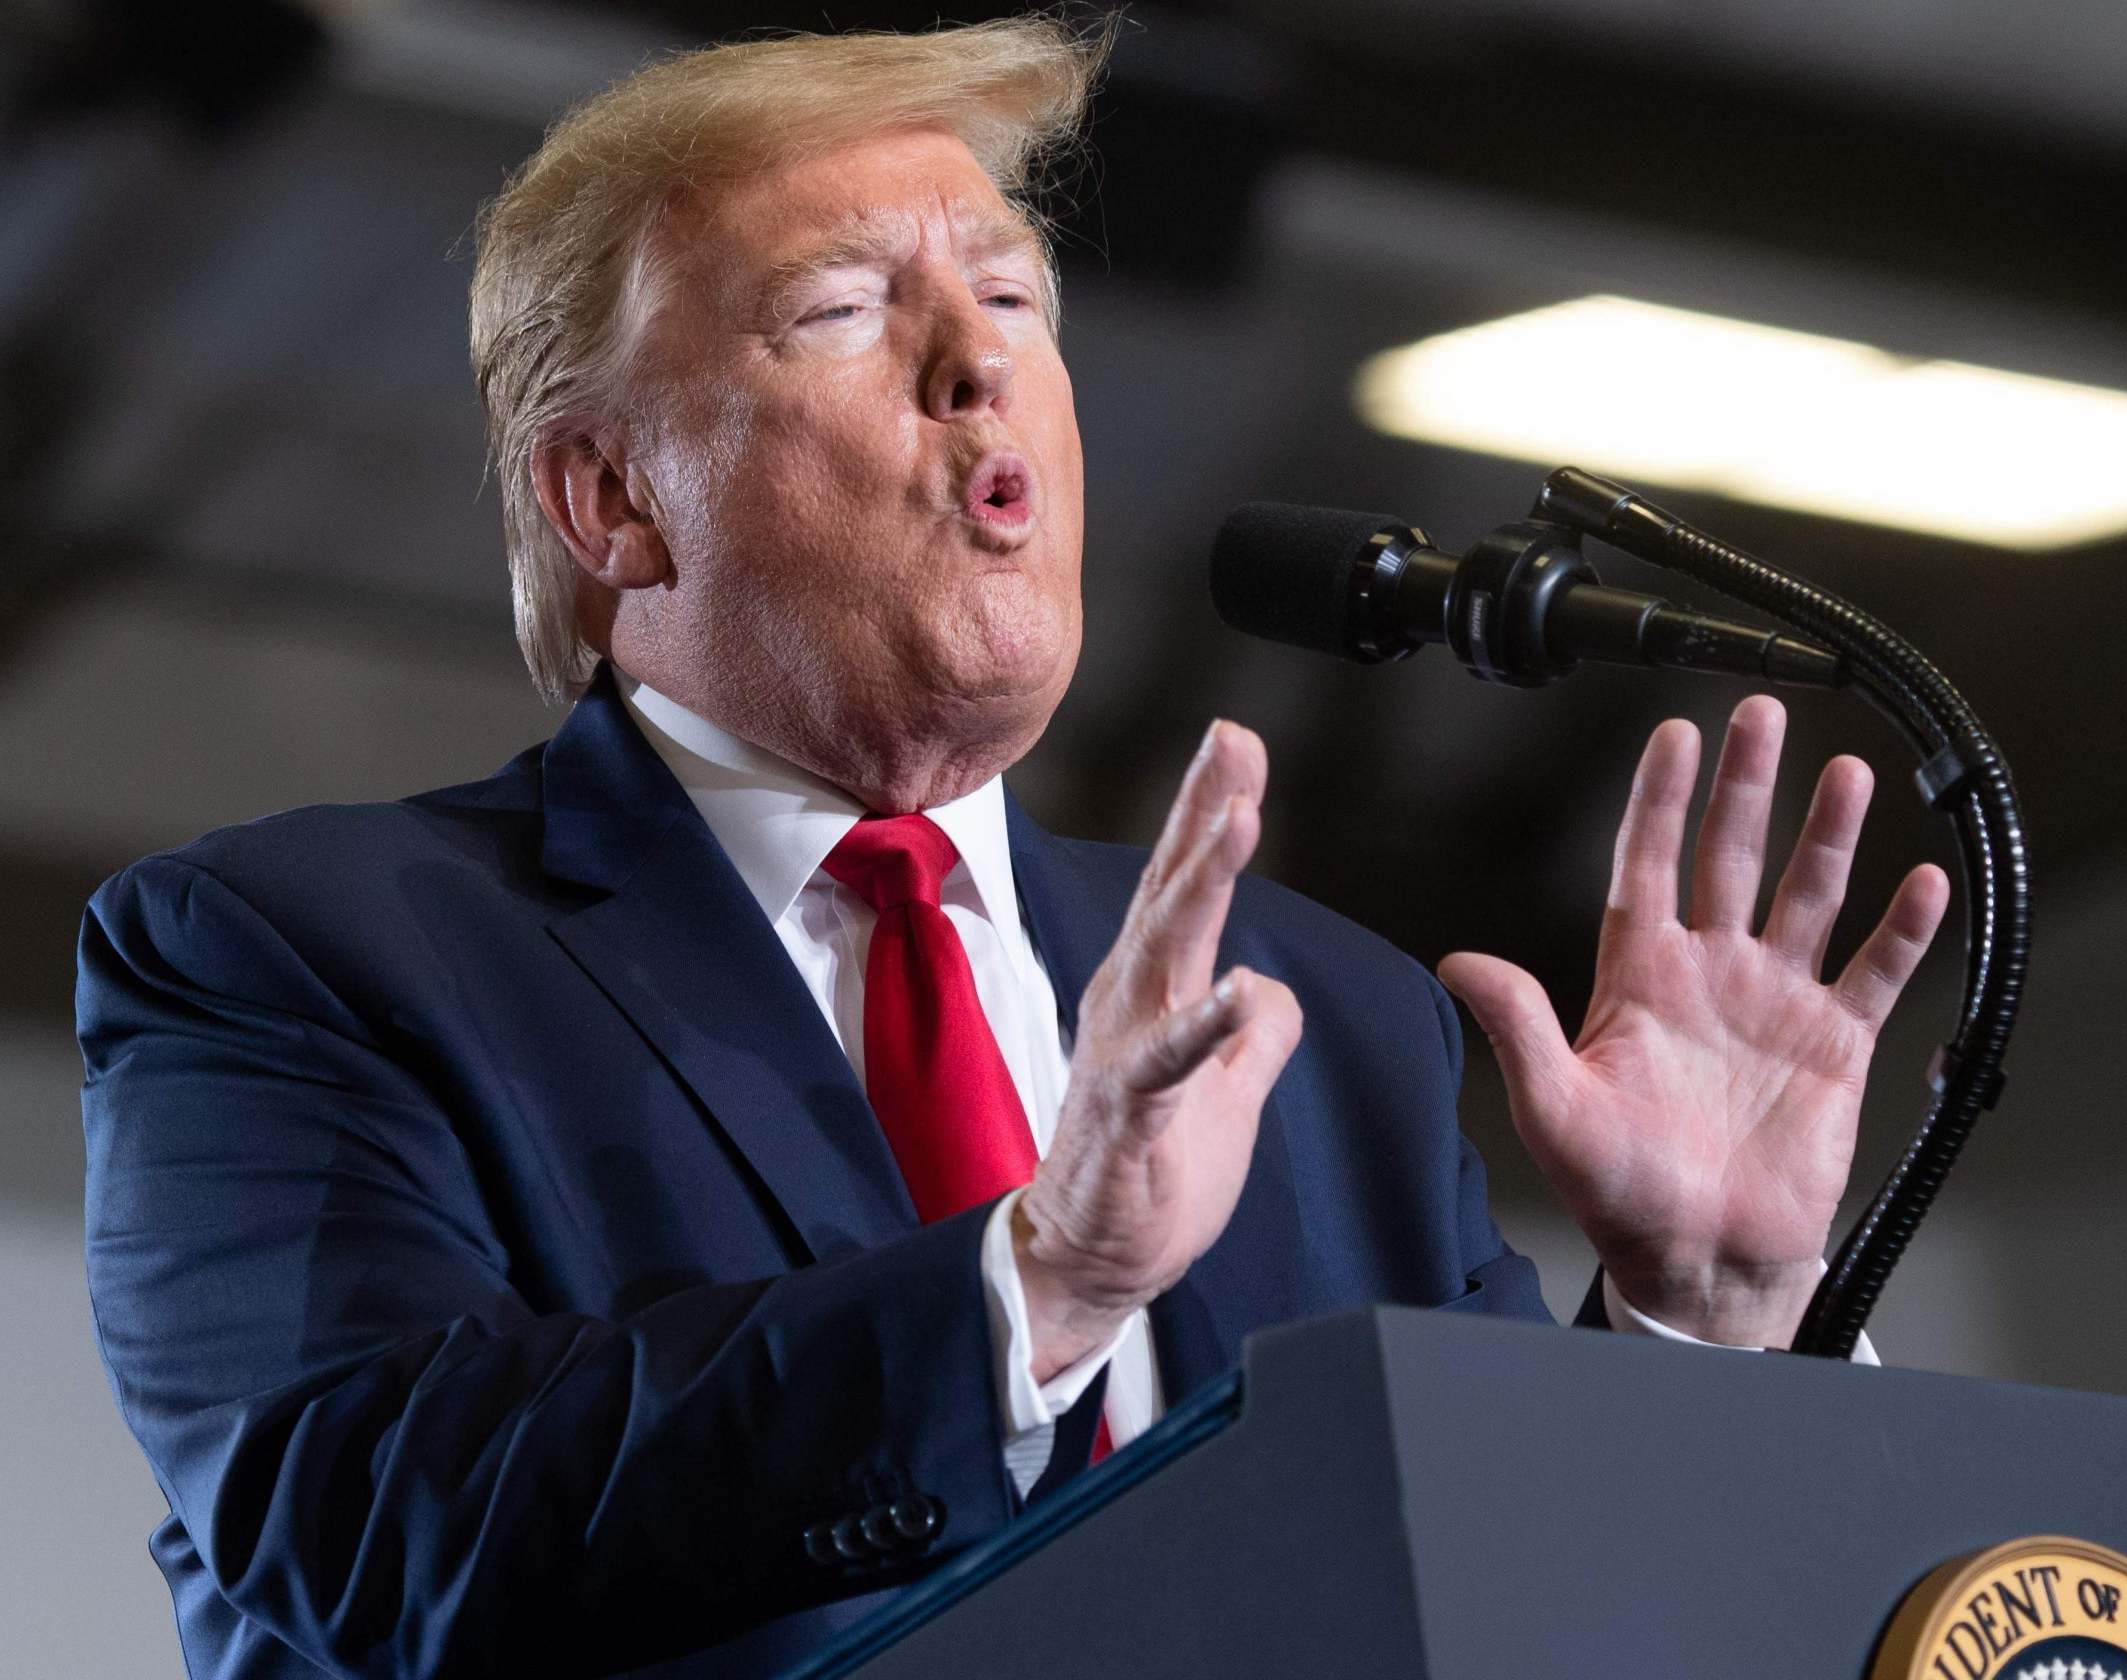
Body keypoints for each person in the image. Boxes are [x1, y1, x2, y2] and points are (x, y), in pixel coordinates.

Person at [76, 18, 1949, 1680]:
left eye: (1015, 297)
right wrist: (1032, 1290)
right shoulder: (293, 956)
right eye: (843, 308)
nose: (976, 361)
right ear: (613, 502)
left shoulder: (1325, 1024)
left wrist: (1703, 1329)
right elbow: (377, 1529)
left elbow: (1531, 1603)